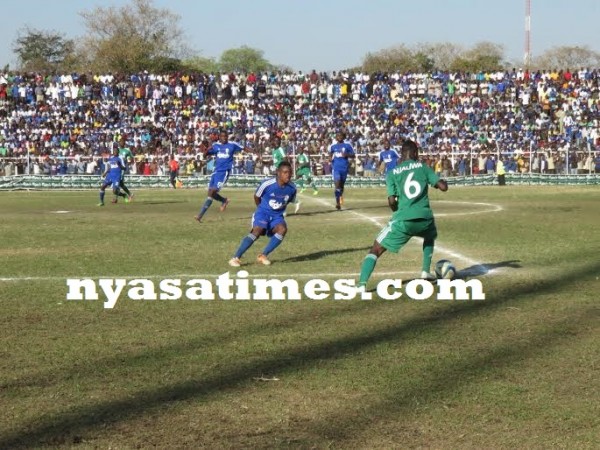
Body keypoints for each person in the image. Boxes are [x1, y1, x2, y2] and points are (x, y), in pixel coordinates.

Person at [357, 139, 449, 289]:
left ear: (402, 154)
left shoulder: (393, 173)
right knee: (430, 235)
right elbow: (443, 187)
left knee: (376, 248)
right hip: (425, 219)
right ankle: (425, 271)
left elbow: (392, 201)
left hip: (404, 220)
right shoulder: (423, 167)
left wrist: (396, 211)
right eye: (417, 153)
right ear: (413, 153)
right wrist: (443, 182)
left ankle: (361, 285)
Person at [229, 161, 297, 267]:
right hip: (263, 212)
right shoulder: (267, 184)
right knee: (257, 231)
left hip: (277, 216)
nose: (288, 175)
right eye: (285, 172)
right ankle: (235, 258)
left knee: (282, 229)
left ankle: (263, 255)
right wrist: (261, 209)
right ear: (278, 173)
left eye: (290, 172)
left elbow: (287, 201)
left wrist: (277, 213)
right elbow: (256, 196)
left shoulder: (292, 188)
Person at [195, 130, 245, 222]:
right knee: (210, 193)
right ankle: (201, 215)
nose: (224, 138)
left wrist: (257, 153)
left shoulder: (232, 145)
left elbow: (244, 148)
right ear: (220, 137)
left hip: (224, 172)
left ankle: (200, 215)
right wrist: (207, 149)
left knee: (213, 191)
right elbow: (205, 155)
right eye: (222, 136)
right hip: (215, 172)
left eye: (225, 136)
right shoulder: (215, 146)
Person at [329, 130, 355, 210]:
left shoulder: (347, 145)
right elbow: (330, 153)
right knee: (337, 185)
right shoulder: (333, 146)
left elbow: (353, 155)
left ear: (343, 137)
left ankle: (340, 196)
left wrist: (347, 155)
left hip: (344, 168)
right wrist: (330, 158)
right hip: (336, 168)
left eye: (341, 136)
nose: (339, 137)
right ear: (336, 137)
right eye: (337, 136)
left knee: (341, 186)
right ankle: (337, 203)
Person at [117, 137, 134, 202]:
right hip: (116, 168)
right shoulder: (117, 150)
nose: (121, 143)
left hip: (122, 169)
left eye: (123, 142)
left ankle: (116, 198)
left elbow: (132, 158)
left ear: (124, 143)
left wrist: (128, 163)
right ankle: (130, 194)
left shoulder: (127, 150)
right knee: (121, 184)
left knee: (118, 182)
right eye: (120, 142)